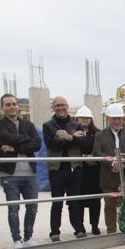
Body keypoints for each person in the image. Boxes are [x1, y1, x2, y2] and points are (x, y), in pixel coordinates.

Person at [0, 93, 41, 248]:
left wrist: (14, 147)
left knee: (32, 207)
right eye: (8, 104)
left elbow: (37, 144)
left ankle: (28, 237)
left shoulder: (28, 124)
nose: (11, 107)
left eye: (14, 104)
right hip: (9, 174)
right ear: (2, 107)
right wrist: (26, 139)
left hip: (30, 173)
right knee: (13, 208)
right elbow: (5, 138)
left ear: (18, 106)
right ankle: (17, 239)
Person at [43, 95, 87, 240]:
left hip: (74, 168)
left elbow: (83, 144)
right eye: (57, 105)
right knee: (57, 202)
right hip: (57, 169)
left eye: (63, 105)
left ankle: (79, 229)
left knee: (74, 202)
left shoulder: (77, 124)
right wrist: (72, 138)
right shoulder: (48, 125)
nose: (60, 108)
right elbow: (51, 143)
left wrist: (67, 137)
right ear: (52, 108)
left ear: (67, 106)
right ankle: (54, 232)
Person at [94, 103, 125, 233]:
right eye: (113, 119)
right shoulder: (100, 135)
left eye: (119, 118)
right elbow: (97, 152)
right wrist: (111, 163)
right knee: (109, 204)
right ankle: (111, 230)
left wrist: (122, 164)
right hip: (108, 175)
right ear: (108, 118)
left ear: (122, 118)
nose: (116, 121)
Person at [76, 106, 102, 235]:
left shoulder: (98, 133)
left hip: (94, 171)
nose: (84, 120)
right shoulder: (73, 133)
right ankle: (80, 226)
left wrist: (94, 157)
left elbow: (100, 148)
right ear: (77, 119)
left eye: (87, 118)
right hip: (80, 171)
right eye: (82, 117)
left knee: (95, 200)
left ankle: (95, 225)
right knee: (80, 199)